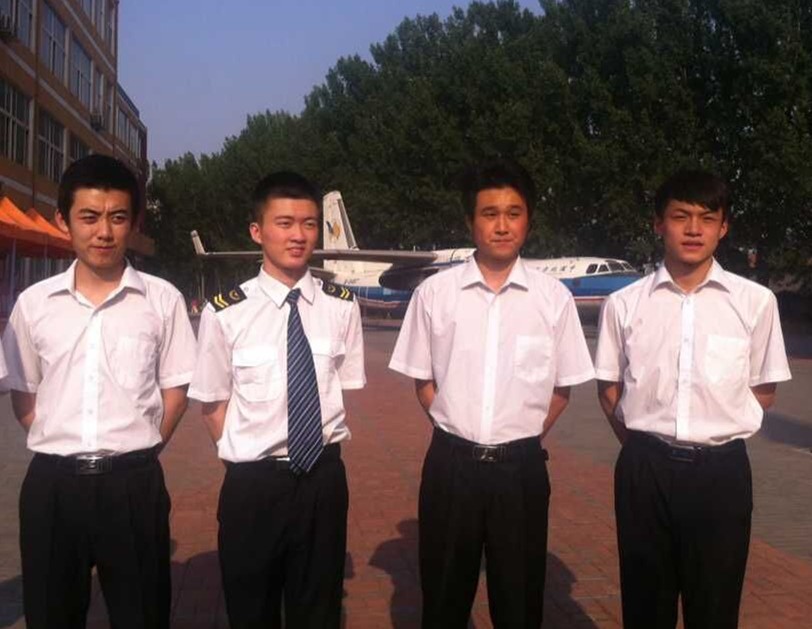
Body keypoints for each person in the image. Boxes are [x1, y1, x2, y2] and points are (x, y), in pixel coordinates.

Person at [388, 160, 594, 627]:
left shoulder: (553, 298)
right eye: (489, 213)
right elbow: (423, 380)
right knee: (443, 601)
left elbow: (561, 388)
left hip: (520, 472)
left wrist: (518, 436)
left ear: (529, 221)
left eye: (513, 213)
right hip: (451, 468)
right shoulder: (435, 294)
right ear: (470, 222)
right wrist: (459, 427)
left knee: (519, 602)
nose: (502, 225)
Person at [2, 154, 197, 628]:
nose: (103, 232)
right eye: (89, 217)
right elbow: (25, 394)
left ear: (134, 223)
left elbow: (175, 390)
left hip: (133, 487)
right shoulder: (34, 305)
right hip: (52, 489)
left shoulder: (162, 300)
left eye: (117, 217)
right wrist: (62, 438)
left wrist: (141, 446)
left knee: (142, 615)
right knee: (51, 616)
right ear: (63, 220)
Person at [594, 169, 792, 629]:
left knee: (715, 608)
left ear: (724, 227)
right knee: (645, 608)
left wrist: (714, 429)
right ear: (658, 224)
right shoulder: (624, 304)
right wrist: (646, 447)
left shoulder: (755, 302)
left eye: (707, 218)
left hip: (720, 475)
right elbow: (609, 388)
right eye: (680, 216)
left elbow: (763, 390)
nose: (693, 229)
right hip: (644, 472)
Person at [188, 171, 365, 628]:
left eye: (308, 224)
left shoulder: (342, 306)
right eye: (284, 223)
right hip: (253, 485)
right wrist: (248, 462)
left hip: (323, 481)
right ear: (257, 231)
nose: (298, 235)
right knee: (251, 611)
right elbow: (213, 406)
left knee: (319, 611)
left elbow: (342, 388)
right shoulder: (225, 313)